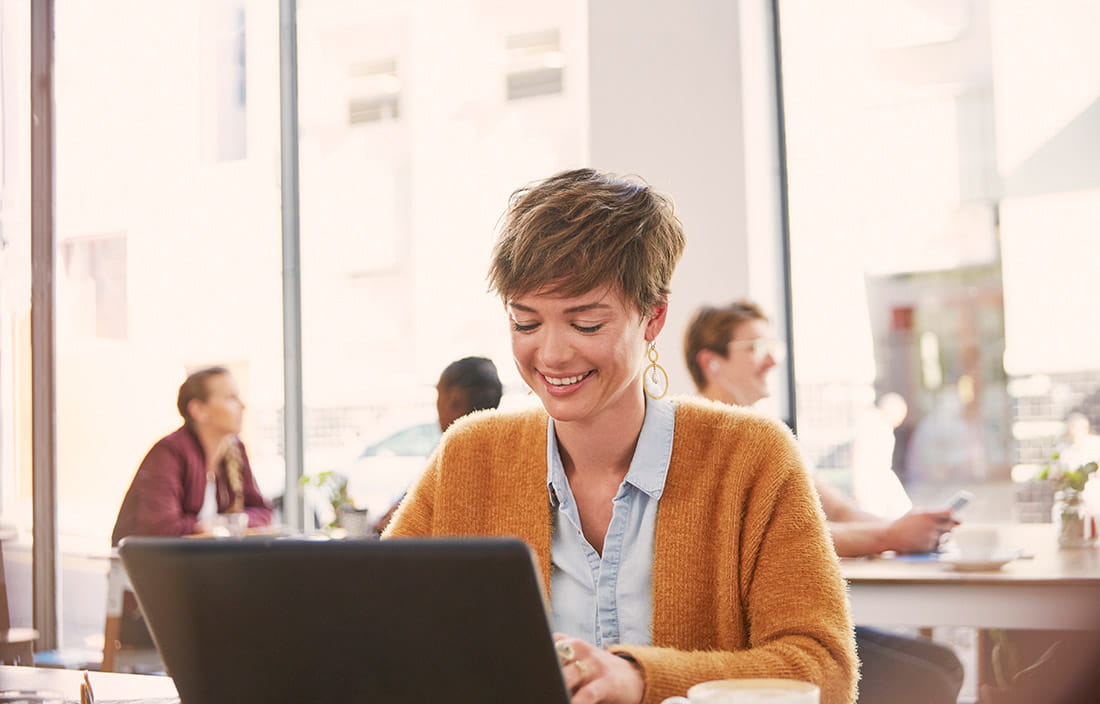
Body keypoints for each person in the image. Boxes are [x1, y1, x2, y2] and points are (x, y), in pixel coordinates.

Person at [385, 169, 856, 704]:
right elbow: (377, 633)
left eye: (586, 324)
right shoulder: (470, 456)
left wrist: (639, 679)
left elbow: (824, 669)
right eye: (526, 323)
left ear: (652, 318)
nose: (553, 353)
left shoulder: (751, 456)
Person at [684, 300, 963, 704]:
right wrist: (889, 535)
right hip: (750, 639)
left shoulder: (765, 435)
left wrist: (910, 528)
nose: (772, 362)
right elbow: (778, 540)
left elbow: (837, 510)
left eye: (773, 347)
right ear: (712, 362)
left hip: (799, 622)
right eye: (757, 348)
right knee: (929, 682)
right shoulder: (698, 440)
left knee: (945, 664)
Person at [112, 366, 272, 545]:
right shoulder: (169, 453)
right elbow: (161, 528)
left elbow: (263, 512)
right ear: (199, 410)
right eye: (230, 397)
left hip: (203, 567)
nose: (243, 406)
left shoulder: (235, 449)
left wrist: (221, 524)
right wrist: (211, 527)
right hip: (146, 570)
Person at [372, 356, 504, 534]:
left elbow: (395, 524)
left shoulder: (453, 455)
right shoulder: (508, 452)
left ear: (454, 399)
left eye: (439, 394)